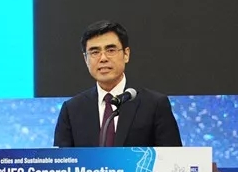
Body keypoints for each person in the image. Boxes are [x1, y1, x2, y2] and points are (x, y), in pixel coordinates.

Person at [53, 20, 183, 147]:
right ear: (85, 59)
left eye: (110, 50)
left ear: (126, 54)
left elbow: (173, 158)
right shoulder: (72, 110)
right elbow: (61, 160)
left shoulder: (154, 105)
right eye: (95, 52)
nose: (103, 58)